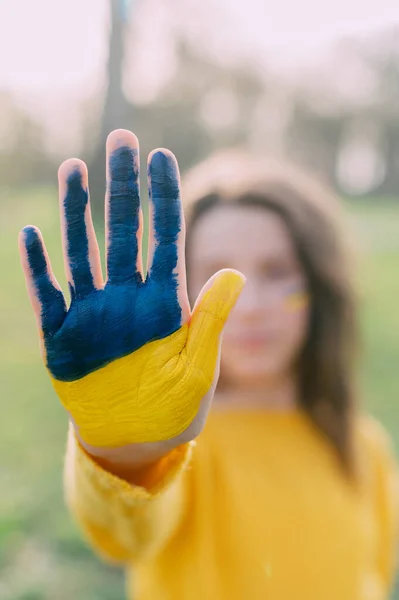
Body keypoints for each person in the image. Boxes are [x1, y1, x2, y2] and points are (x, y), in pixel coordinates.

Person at [19, 129, 398, 600]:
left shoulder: (365, 448)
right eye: (215, 272)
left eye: (277, 271)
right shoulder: (182, 443)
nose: (249, 303)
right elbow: (121, 536)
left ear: (321, 287)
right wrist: (131, 452)